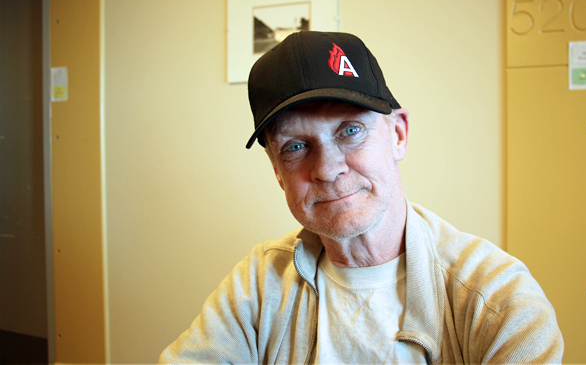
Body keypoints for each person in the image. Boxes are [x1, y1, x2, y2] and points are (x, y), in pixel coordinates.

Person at [159, 31, 563, 363]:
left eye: (350, 130)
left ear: (398, 134)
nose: (327, 169)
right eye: (295, 146)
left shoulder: (497, 300)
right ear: (277, 172)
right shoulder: (259, 285)